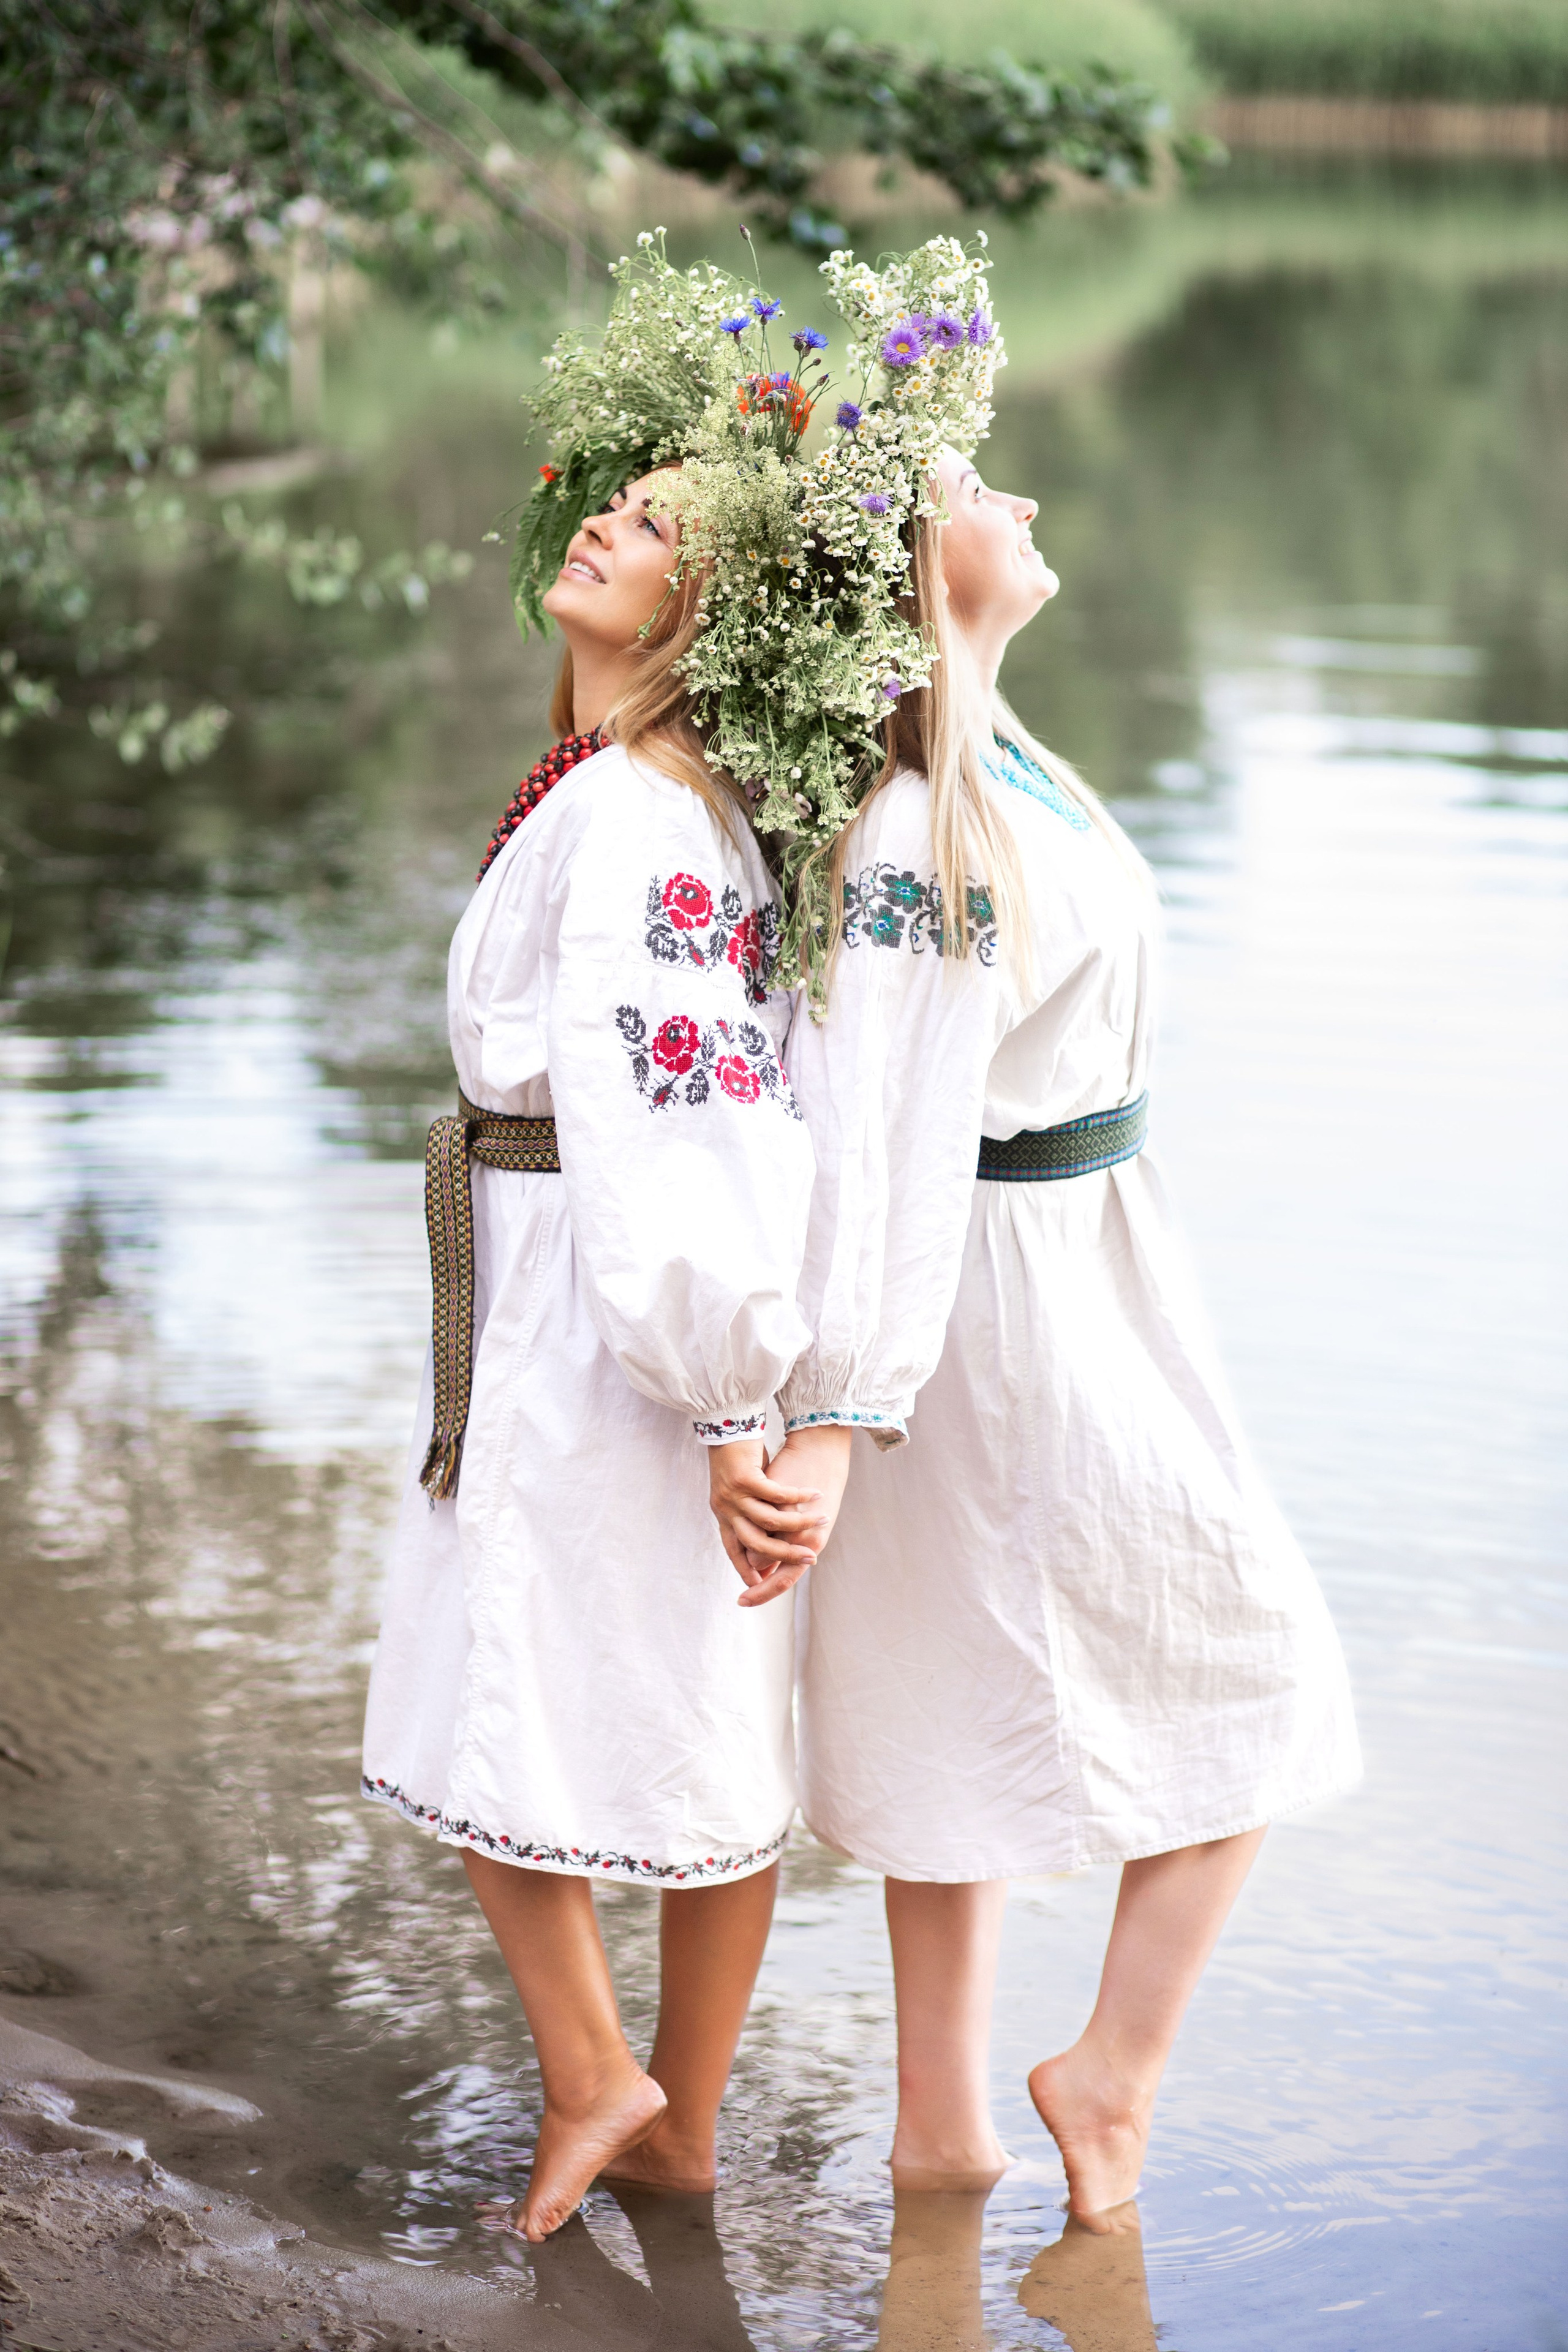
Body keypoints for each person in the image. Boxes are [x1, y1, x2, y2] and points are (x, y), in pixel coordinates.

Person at [757, 439, 1361, 2228]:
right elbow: (880, 1120)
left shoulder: (983, 752)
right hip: (997, 1294)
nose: (1017, 504)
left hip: (1079, 1252)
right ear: (903, 561)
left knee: (978, 1681)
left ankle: (946, 2132)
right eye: (972, 484)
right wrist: (842, 1406)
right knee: (1253, 1657)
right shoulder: (913, 826)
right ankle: (1106, 2076)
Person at [360, 441, 831, 2239]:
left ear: (702, 613)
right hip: (635, 1278)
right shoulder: (650, 796)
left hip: (608, 1298)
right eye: (613, 501)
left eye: (650, 529)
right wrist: (742, 1382)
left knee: (511, 1677)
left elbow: (680, 1109)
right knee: (701, 1708)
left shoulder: (639, 808)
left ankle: (596, 2078)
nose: (604, 525)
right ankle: (679, 2130)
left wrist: (724, 1394)